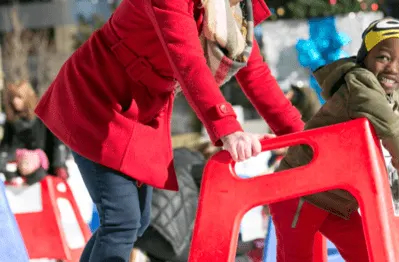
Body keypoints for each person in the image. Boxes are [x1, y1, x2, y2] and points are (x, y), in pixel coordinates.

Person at [33, 0, 304, 260]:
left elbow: (254, 72)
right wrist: (228, 127)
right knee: (121, 221)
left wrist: (300, 134)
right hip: (96, 99)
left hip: (142, 109)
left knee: (137, 222)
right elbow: (188, 62)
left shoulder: (231, 9)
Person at [268, 18, 399, 261]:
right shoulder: (360, 85)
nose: (392, 69)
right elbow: (395, 132)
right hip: (300, 190)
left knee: (369, 254)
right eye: (383, 57)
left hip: (337, 197)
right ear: (364, 57)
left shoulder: (398, 90)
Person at [1, 80, 69, 185]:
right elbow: (6, 146)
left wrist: (59, 165)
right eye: (13, 98)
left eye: (19, 97)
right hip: (20, 168)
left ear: (27, 98)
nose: (15, 101)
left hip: (45, 167)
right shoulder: (11, 121)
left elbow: (57, 142)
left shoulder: (44, 115)